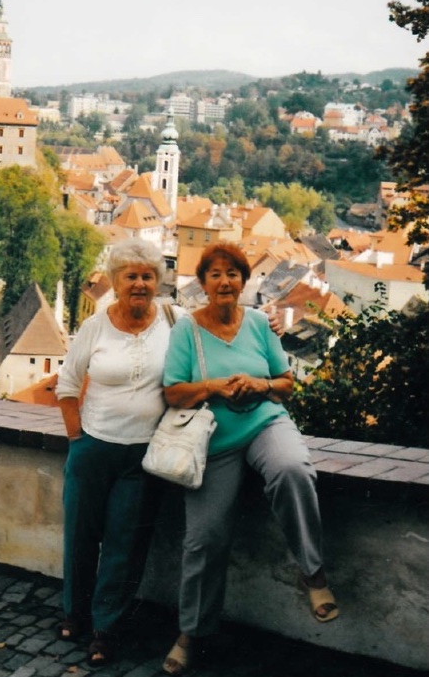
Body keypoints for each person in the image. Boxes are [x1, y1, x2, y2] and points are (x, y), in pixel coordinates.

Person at [161, 241, 339, 676]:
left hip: (264, 423)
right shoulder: (187, 330)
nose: (225, 281)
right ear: (203, 283)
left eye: (233, 273)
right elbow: (173, 392)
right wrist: (214, 387)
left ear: (243, 281)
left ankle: (312, 574)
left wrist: (261, 386)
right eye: (215, 274)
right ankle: (191, 632)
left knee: (292, 469)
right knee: (204, 538)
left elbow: (286, 383)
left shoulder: (260, 323)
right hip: (214, 440)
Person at [55, 237, 174, 666]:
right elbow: (67, 386)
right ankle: (75, 612)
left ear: (158, 282)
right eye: (130, 276)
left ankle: (106, 627)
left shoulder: (174, 322)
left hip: (143, 457)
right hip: (93, 449)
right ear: (115, 281)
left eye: (147, 276)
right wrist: (78, 439)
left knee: (125, 545)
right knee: (80, 536)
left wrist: (266, 326)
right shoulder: (95, 327)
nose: (139, 284)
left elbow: (217, 328)